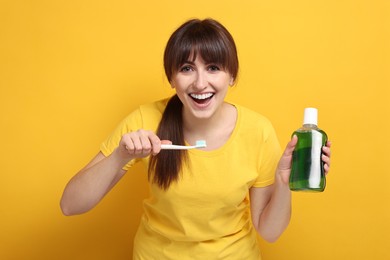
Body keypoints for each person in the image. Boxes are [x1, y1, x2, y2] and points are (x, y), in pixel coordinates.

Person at [60, 18, 331, 259]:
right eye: (187, 69)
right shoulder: (145, 120)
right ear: (171, 77)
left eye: (213, 68)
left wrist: (284, 183)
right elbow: (70, 205)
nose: (200, 83)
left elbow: (270, 232)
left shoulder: (258, 131)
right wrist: (121, 155)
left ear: (232, 75)